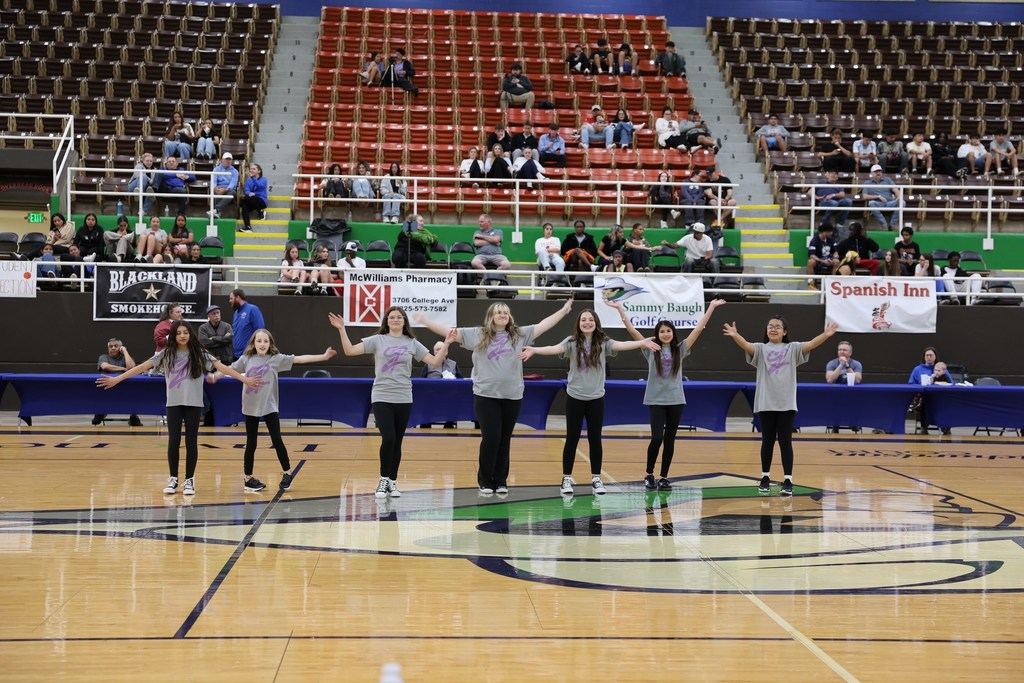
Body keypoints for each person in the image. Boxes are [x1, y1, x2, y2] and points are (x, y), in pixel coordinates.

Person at [415, 300, 574, 494]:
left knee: (504, 439)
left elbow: (543, 325)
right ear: (491, 316)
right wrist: (424, 319)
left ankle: (500, 481)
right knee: (491, 437)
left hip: (513, 395)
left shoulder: (519, 334)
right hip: (486, 395)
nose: (502, 315)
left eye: (505, 312)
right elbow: (448, 331)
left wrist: (564, 311)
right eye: (498, 312)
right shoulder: (478, 334)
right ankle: (485, 480)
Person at [96, 320, 261, 496]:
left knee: (191, 442)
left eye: (186, 332)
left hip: (194, 404)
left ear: (190, 334)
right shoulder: (167, 353)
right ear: (174, 335)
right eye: (179, 333)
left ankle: (189, 480)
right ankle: (173, 478)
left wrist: (245, 379)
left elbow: (223, 368)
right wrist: (116, 380)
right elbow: (142, 367)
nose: (182, 336)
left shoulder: (199, 353)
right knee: (173, 441)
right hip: (173, 404)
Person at [519, 309, 659, 495]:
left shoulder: (602, 342)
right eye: (583, 319)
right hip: (575, 397)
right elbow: (554, 349)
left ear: (596, 322)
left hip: (596, 398)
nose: (587, 322)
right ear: (578, 323)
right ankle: (566, 480)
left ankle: (596, 479)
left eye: (590, 319)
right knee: (572, 439)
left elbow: (622, 344)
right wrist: (534, 349)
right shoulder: (571, 342)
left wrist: (642, 342)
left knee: (595, 439)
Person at [330, 307, 453, 497]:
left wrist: (446, 343)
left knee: (397, 442)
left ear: (404, 321)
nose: (396, 319)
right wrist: (341, 329)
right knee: (388, 438)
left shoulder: (412, 342)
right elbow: (349, 350)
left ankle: (393, 482)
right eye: (392, 317)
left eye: (399, 317)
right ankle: (383, 480)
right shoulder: (378, 340)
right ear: (387, 321)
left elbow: (435, 362)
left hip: (404, 397)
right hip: (381, 396)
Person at [608, 298, 724, 489]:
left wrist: (711, 307)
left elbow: (698, 329)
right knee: (657, 438)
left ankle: (663, 477)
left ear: (673, 333)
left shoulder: (681, 349)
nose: (665, 334)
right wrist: (620, 309)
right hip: (656, 400)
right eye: (662, 331)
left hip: (676, 400)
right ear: (657, 334)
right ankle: (649, 473)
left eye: (668, 331)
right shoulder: (650, 349)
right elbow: (631, 331)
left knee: (670, 440)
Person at [722, 316, 839, 495]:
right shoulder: (760, 349)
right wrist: (735, 335)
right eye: (770, 326)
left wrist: (825, 334)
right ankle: (765, 477)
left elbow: (811, 344)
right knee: (767, 441)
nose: (773, 329)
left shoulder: (792, 349)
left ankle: (788, 480)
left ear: (785, 332)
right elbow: (746, 345)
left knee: (785, 442)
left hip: (786, 403)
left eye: (778, 327)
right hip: (765, 402)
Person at [219, 329, 336, 492]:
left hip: (269, 406)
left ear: (270, 344)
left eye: (265, 341)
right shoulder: (246, 359)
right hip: (250, 407)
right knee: (251, 443)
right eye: (259, 341)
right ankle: (248, 479)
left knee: (277, 440)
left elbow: (300, 359)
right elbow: (229, 369)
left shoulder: (276, 359)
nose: (262, 344)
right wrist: (214, 376)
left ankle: (287, 473)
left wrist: (323, 357)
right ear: (253, 343)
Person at [93, 337, 142, 426]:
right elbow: (105, 366)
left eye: (116, 346)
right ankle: (100, 412)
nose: (113, 348)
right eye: (111, 346)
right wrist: (123, 369)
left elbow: (131, 367)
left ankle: (133, 415)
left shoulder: (126, 358)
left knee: (135, 391)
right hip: (107, 388)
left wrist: (125, 352)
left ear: (121, 347)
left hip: (126, 388)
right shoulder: (104, 357)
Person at [907, 346, 954, 435]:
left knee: (947, 404)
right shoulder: (917, 369)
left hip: (940, 397)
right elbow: (911, 383)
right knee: (924, 403)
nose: (929, 357)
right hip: (924, 397)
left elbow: (951, 383)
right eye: (927, 355)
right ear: (924, 357)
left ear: (935, 356)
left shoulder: (941, 368)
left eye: (931, 355)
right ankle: (924, 427)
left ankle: (946, 428)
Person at [419, 339, 464, 429]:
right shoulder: (428, 364)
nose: (439, 351)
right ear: (434, 352)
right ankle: (426, 422)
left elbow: (461, 381)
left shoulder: (454, 364)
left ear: (446, 351)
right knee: (427, 395)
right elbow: (421, 381)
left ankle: (449, 423)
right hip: (432, 393)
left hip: (449, 393)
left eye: (442, 349)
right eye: (437, 349)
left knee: (455, 395)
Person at [229, 288, 265, 359]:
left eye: (231, 298)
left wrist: (254, 350)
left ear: (238, 297)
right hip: (236, 355)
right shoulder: (236, 313)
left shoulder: (253, 309)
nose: (229, 301)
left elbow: (260, 331)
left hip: (249, 355)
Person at [805, 223, 837, 290]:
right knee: (810, 262)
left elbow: (835, 252)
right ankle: (811, 284)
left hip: (829, 260)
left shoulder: (831, 240)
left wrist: (835, 257)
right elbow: (812, 255)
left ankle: (833, 284)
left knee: (837, 261)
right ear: (824, 232)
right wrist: (822, 261)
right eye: (830, 231)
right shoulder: (814, 240)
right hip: (819, 261)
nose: (831, 233)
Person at [239, 163, 268, 232]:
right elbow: (247, 191)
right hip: (251, 200)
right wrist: (249, 193)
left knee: (246, 199)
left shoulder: (264, 179)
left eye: (254, 169)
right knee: (244, 204)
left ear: (259, 171)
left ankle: (261, 211)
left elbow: (259, 186)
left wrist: (252, 178)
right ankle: (247, 227)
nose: (251, 170)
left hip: (261, 200)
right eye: (251, 169)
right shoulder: (249, 181)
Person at [210, 152, 239, 217]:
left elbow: (233, 183)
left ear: (231, 161)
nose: (228, 161)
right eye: (226, 159)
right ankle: (217, 212)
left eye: (229, 159)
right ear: (222, 160)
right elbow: (213, 180)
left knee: (231, 192)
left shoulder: (235, 171)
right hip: (218, 187)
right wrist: (215, 188)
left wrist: (225, 189)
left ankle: (216, 210)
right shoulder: (216, 169)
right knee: (214, 191)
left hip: (228, 189)